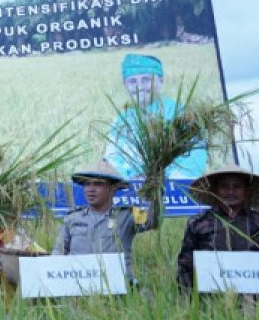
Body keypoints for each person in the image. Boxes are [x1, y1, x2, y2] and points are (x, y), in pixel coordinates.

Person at [104, 53, 208, 179]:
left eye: (146, 79)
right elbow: (112, 156)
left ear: (161, 81)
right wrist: (128, 180)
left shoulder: (180, 114)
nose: (139, 87)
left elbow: (195, 153)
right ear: (125, 85)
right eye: (132, 81)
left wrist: (166, 181)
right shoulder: (122, 119)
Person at [52, 160, 157, 283]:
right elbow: (58, 252)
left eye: (97, 184)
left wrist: (155, 193)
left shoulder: (127, 216)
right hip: (78, 286)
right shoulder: (73, 218)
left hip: (118, 286)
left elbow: (153, 220)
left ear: (112, 189)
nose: (90, 189)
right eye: (87, 184)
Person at [176, 164, 259, 292]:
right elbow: (185, 264)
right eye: (224, 187)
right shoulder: (198, 223)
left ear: (246, 190)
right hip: (209, 302)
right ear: (215, 190)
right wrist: (187, 300)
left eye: (237, 187)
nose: (230, 192)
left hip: (253, 302)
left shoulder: (257, 222)